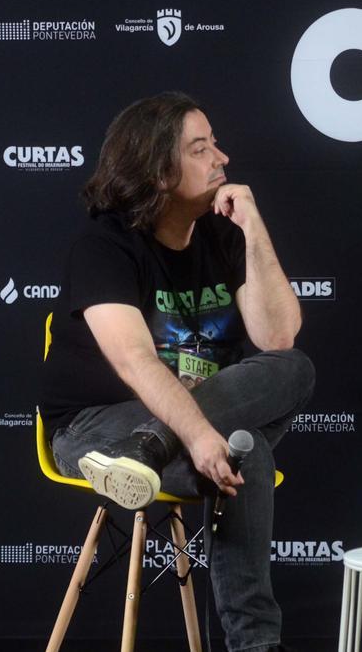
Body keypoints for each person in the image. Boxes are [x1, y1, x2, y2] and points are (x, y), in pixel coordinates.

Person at [39, 91, 313, 652]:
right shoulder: (105, 245)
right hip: (93, 431)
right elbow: (135, 361)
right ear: (159, 170)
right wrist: (197, 434)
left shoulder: (220, 234)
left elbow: (277, 338)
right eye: (200, 147)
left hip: (166, 442)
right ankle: (257, 646)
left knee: (295, 368)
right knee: (248, 451)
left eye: (213, 144)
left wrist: (253, 227)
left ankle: (152, 446)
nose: (222, 157)